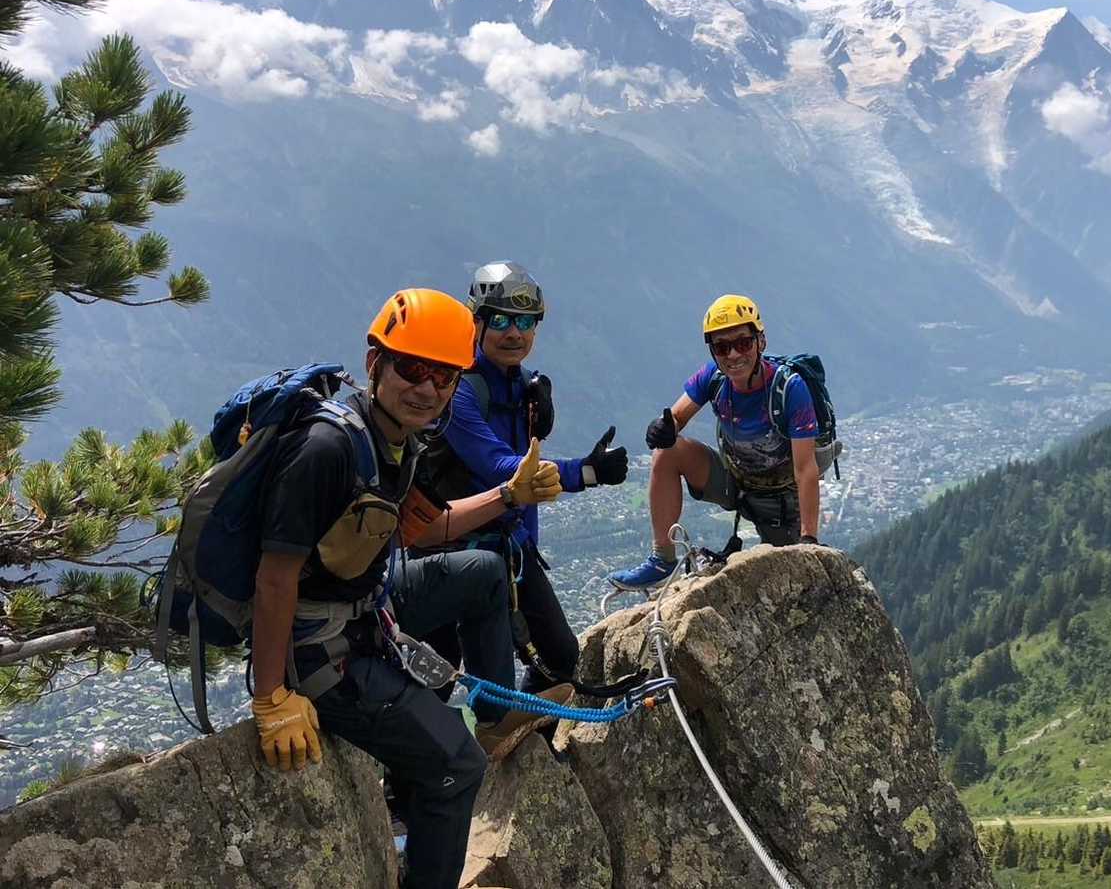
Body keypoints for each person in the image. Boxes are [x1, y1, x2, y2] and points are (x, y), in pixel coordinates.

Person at [247, 288, 563, 889]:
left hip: (370, 604)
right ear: (375, 364)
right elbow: (274, 577)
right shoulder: (327, 449)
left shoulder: (397, 439)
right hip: (316, 647)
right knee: (456, 766)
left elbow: (421, 528)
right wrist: (271, 698)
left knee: (483, 572)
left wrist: (509, 496)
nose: (428, 388)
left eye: (444, 377)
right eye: (413, 369)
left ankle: (494, 717)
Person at [416, 262, 629, 691]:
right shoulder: (456, 389)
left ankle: (525, 732)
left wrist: (528, 546)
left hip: (508, 545)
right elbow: (501, 467)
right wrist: (585, 472)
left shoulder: (526, 387)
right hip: (448, 547)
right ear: (476, 322)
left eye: (525, 322)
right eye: (500, 320)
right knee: (439, 675)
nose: (514, 333)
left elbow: (522, 477)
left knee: (561, 659)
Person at [608, 293, 830, 592]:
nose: (733, 355)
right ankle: (662, 560)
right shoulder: (713, 378)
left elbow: (805, 469)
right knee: (667, 451)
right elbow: (676, 417)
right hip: (738, 484)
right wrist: (663, 428)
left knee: (795, 585)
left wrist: (808, 539)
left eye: (743, 343)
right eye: (722, 347)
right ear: (713, 352)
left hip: (782, 502)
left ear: (760, 342)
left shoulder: (790, 388)